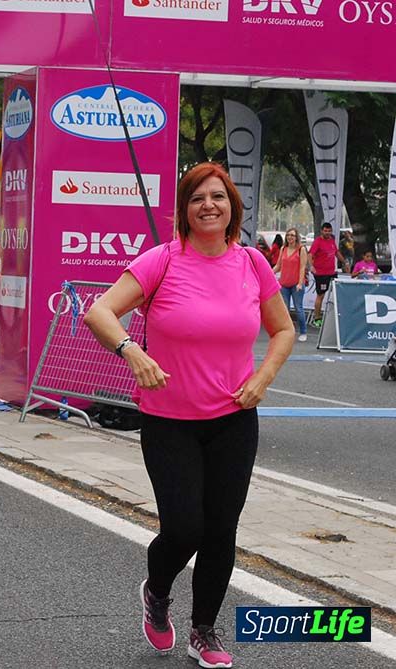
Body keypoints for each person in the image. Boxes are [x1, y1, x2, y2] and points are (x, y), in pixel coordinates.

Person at [84, 162, 293, 669]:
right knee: (184, 528)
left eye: (218, 197)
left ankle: (204, 629)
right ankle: (156, 591)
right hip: (169, 420)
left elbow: (283, 330)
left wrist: (262, 379)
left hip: (233, 419)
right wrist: (133, 351)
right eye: (198, 198)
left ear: (232, 207)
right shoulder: (162, 260)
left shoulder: (251, 263)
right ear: (184, 209)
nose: (209, 206)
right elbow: (99, 312)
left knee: (221, 529)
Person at [272, 228, 309, 342]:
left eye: (292, 235)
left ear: (296, 237)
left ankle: (303, 332)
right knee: (285, 310)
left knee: (299, 309)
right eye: (288, 235)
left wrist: (299, 282)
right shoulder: (283, 248)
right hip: (284, 283)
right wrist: (269, 272)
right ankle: (287, 332)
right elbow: (278, 266)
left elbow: (303, 267)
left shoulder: (301, 249)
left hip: (296, 284)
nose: (290, 237)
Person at [309, 222, 349, 327]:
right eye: (325, 231)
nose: (327, 233)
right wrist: (311, 266)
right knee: (320, 295)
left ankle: (337, 317)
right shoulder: (318, 242)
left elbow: (336, 252)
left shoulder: (331, 240)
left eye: (329, 231)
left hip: (332, 272)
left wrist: (345, 262)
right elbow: (310, 254)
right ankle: (317, 319)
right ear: (322, 231)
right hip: (321, 274)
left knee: (336, 294)